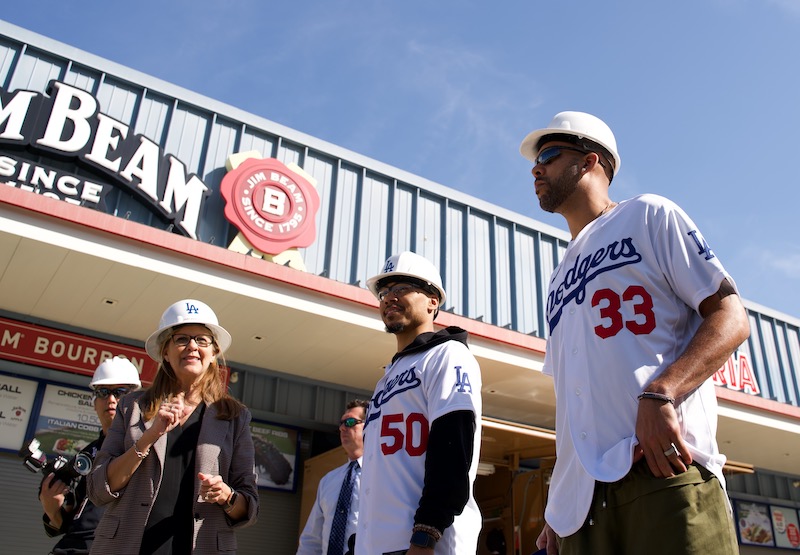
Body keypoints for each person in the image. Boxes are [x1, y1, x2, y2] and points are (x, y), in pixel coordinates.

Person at [518, 111, 751, 554]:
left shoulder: (649, 214)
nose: (536, 168)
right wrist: (559, 499)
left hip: (661, 468)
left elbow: (730, 317)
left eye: (548, 155)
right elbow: (574, 400)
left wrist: (661, 392)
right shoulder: (557, 276)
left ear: (590, 162)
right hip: (582, 506)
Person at [87, 299, 259, 554]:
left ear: (213, 354)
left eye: (202, 340)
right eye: (181, 339)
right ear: (165, 352)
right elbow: (98, 489)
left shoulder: (235, 417)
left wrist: (226, 496)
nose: (192, 346)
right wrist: (149, 436)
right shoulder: (130, 407)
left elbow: (250, 506)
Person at [355, 251, 483, 554]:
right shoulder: (387, 376)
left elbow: (454, 448)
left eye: (402, 288)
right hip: (378, 544)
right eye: (384, 292)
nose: (389, 297)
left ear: (432, 301)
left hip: (426, 543)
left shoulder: (448, 355)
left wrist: (427, 533)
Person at [39, 357, 141, 555]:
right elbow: (73, 523)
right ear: (94, 402)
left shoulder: (148, 449)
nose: (111, 399)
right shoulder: (86, 455)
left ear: (136, 400)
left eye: (120, 392)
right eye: (103, 392)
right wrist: (52, 508)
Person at [296, 399, 369, 555]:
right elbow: (312, 538)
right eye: (341, 423)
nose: (343, 428)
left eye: (350, 422)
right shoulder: (328, 481)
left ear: (369, 425)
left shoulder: (383, 477)